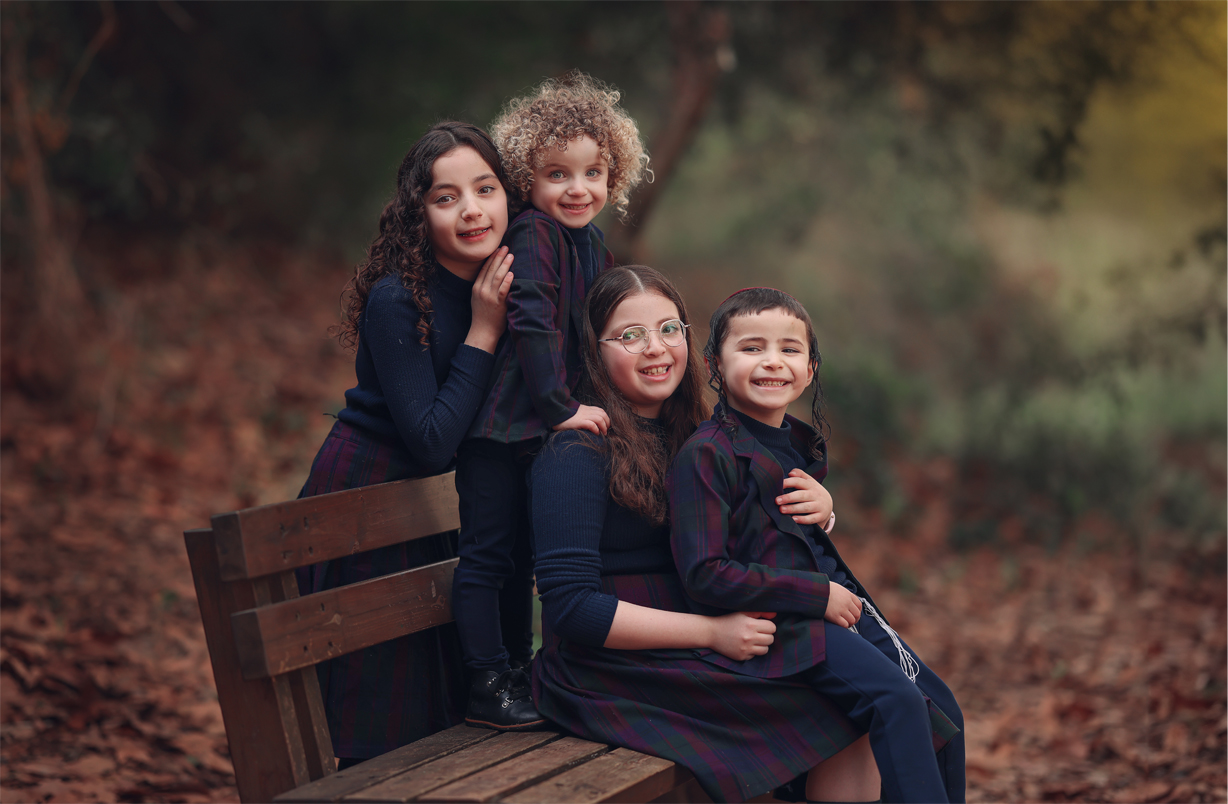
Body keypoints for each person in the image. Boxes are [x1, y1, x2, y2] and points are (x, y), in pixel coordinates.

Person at [530, 265, 882, 803]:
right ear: (594, 352)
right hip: (607, 668)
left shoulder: (698, 437)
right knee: (835, 714)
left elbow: (758, 528)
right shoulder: (576, 452)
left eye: (669, 329)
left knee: (856, 704)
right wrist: (710, 633)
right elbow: (573, 608)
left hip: (703, 637)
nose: (656, 348)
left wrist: (824, 509)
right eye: (630, 335)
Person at [668, 287, 965, 803]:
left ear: (809, 369)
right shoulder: (706, 455)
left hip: (837, 611)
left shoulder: (795, 445)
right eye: (752, 347)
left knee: (944, 711)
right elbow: (705, 573)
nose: (772, 361)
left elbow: (788, 536)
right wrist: (817, 594)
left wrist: (827, 513)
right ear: (715, 363)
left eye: (789, 349)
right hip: (782, 624)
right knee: (898, 703)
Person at [296, 121, 515, 767]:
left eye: (486, 188)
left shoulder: (509, 284)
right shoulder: (399, 299)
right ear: (419, 213)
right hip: (367, 498)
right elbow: (431, 441)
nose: (472, 209)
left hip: (433, 508)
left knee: (434, 712)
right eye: (447, 197)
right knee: (378, 721)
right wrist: (483, 330)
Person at [452, 72, 649, 730]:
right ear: (526, 179)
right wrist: (563, 407)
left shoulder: (592, 244)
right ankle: (485, 678)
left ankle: (519, 668)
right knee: (488, 555)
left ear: (614, 176)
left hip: (539, 431)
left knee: (524, 560)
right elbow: (533, 323)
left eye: (593, 173)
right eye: (557, 174)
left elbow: (596, 336)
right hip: (501, 426)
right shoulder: (535, 233)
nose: (577, 188)